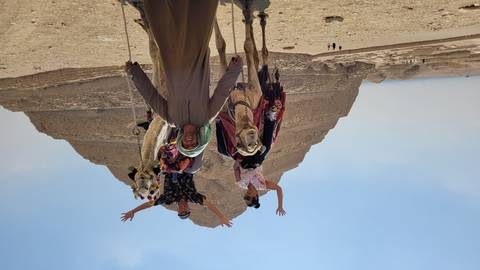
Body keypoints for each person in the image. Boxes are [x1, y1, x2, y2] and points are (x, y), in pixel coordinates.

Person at [124, 0, 243, 159]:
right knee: (198, 21)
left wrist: (134, 73)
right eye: (193, 144)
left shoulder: (171, 119)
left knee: (165, 27)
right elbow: (222, 92)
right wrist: (234, 70)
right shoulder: (206, 117)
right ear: (199, 140)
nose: (189, 141)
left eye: (186, 145)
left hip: (172, 61)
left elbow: (151, 97)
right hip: (197, 58)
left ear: (180, 141)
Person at [121, 172, 233, 227]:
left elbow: (149, 204)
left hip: (170, 165)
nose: (183, 208)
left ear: (178, 210)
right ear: (189, 209)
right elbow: (209, 205)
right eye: (186, 211)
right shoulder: (193, 197)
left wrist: (133, 211)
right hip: (188, 165)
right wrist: (221, 216)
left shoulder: (168, 199)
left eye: (181, 211)